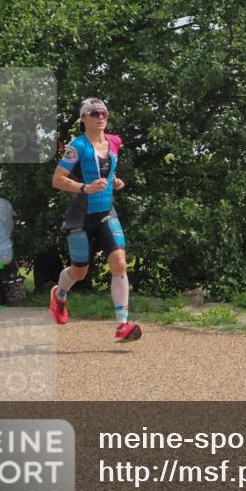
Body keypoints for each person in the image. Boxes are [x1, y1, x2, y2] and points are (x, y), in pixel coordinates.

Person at [50, 97, 139, 342]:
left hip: (106, 212)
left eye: (103, 114)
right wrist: (84, 188)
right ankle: (59, 295)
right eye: (94, 114)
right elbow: (57, 179)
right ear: (84, 119)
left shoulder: (114, 142)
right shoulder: (76, 146)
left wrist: (115, 180)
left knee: (119, 263)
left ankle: (122, 324)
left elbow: (107, 169)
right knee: (80, 272)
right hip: (80, 215)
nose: (100, 117)